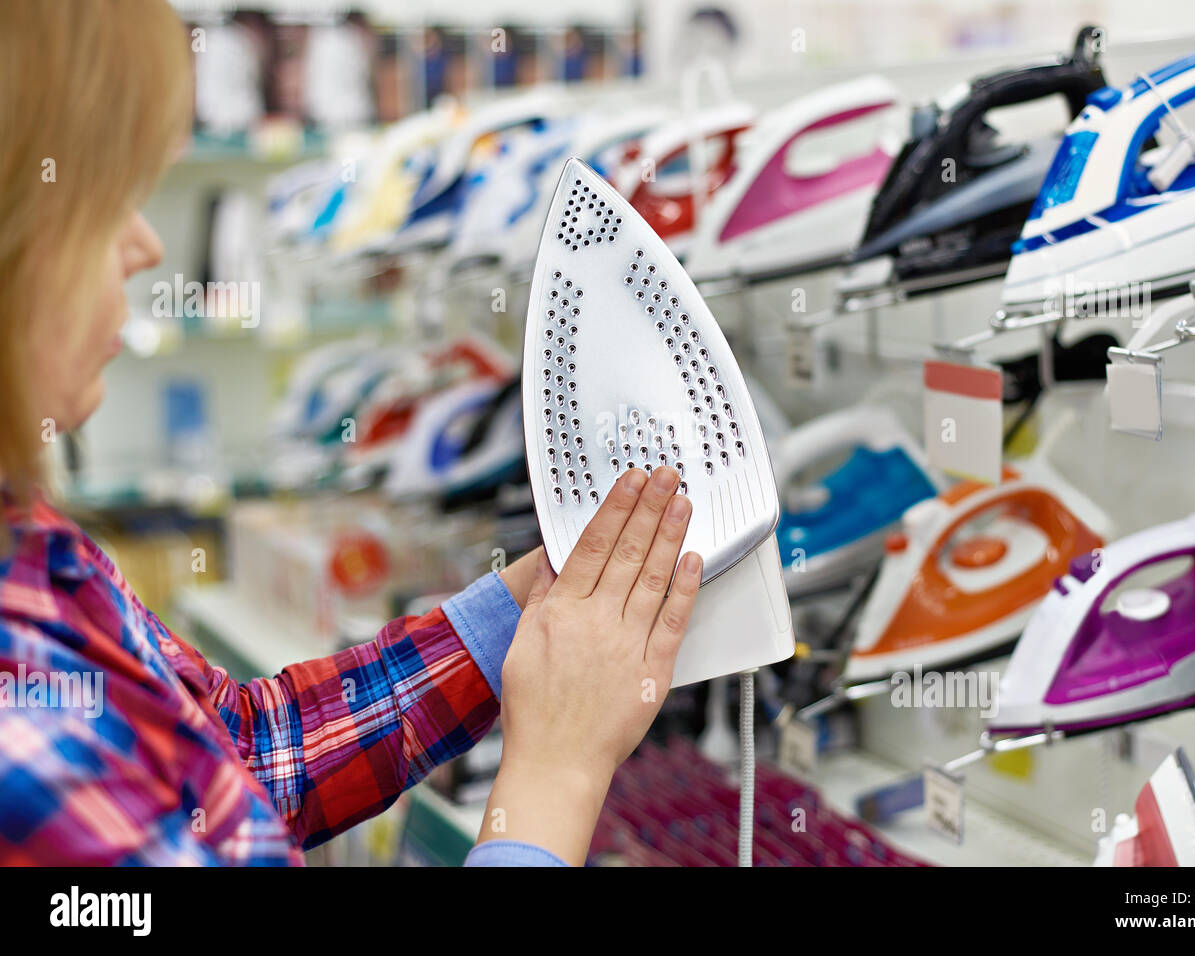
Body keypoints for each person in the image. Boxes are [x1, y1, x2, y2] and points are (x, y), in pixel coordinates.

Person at [0, 0, 702, 867]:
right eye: (107, 202)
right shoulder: (19, 736)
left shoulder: (35, 561)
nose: (145, 245)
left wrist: (521, 612)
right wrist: (554, 772)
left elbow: (241, 758)